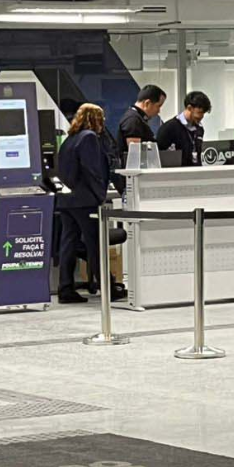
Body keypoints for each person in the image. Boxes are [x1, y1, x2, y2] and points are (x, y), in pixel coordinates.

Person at [56, 103, 114, 304]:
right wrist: (100, 196)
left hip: (66, 200)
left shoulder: (69, 139)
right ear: (95, 119)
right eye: (101, 119)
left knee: (68, 244)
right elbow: (92, 171)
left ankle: (65, 288)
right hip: (85, 200)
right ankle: (107, 287)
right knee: (95, 244)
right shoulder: (89, 138)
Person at [155, 91, 212, 166]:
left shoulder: (199, 129)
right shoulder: (169, 128)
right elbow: (158, 156)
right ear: (189, 108)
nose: (201, 116)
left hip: (195, 171)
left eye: (203, 113)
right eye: (199, 112)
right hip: (177, 172)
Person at [116, 84, 166, 162]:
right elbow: (135, 154)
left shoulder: (136, 118)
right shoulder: (133, 120)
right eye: (158, 106)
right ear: (147, 103)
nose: (159, 111)